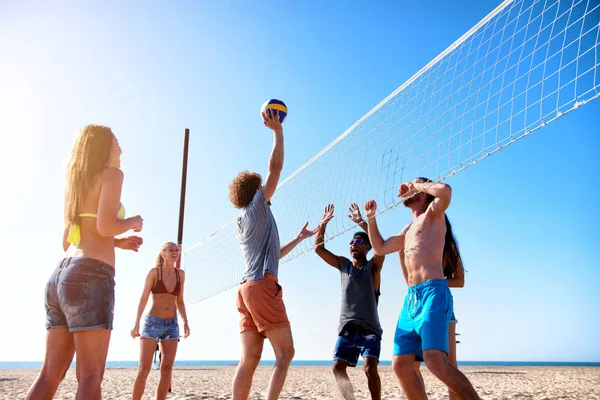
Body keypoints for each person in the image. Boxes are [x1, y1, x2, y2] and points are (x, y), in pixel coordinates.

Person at [26, 125, 144, 400]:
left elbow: (69, 240)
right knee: (90, 377)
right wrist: (130, 223)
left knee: (49, 374)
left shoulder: (76, 183)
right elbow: (105, 226)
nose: (121, 149)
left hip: (60, 276)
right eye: (117, 143)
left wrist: (117, 243)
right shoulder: (113, 174)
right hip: (91, 276)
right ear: (103, 146)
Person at [229, 110, 317, 400]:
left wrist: (298, 238)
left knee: (249, 360)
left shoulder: (242, 221)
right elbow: (275, 169)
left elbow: (273, 254)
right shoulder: (257, 206)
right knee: (286, 353)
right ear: (255, 190)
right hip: (262, 287)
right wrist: (278, 132)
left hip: (245, 290)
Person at [365, 178, 480, 400]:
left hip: (433, 291)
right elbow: (379, 247)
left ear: (423, 194)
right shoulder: (407, 229)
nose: (407, 188)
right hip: (411, 298)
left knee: (435, 360)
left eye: (415, 187)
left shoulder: (433, 215)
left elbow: (446, 191)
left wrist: (417, 184)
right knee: (400, 364)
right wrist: (371, 217)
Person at [315, 203, 385, 399]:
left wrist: (362, 222)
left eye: (360, 241)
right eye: (352, 241)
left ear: (368, 247)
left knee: (370, 369)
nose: (354, 243)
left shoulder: (373, 268)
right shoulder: (343, 264)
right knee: (337, 368)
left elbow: (381, 247)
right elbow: (318, 249)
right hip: (347, 328)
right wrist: (323, 224)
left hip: (369, 330)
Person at [131, 242, 190, 400]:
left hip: (172, 325)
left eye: (177, 250)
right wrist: (136, 323)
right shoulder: (154, 273)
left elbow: (180, 301)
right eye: (171, 250)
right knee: (144, 369)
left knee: (167, 369)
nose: (175, 252)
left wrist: (185, 321)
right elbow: (144, 298)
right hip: (152, 323)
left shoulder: (181, 275)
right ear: (163, 253)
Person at [414, 229, 465, 400]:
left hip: (439, 302)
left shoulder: (447, 244)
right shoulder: (415, 240)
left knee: (449, 362)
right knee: (408, 364)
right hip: (415, 305)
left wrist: (434, 281)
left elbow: (459, 281)